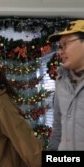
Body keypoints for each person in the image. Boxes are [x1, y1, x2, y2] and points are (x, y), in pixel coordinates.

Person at [48, 20, 84, 151]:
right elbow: (58, 126)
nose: (60, 52)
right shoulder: (61, 80)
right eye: (59, 46)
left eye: (65, 45)